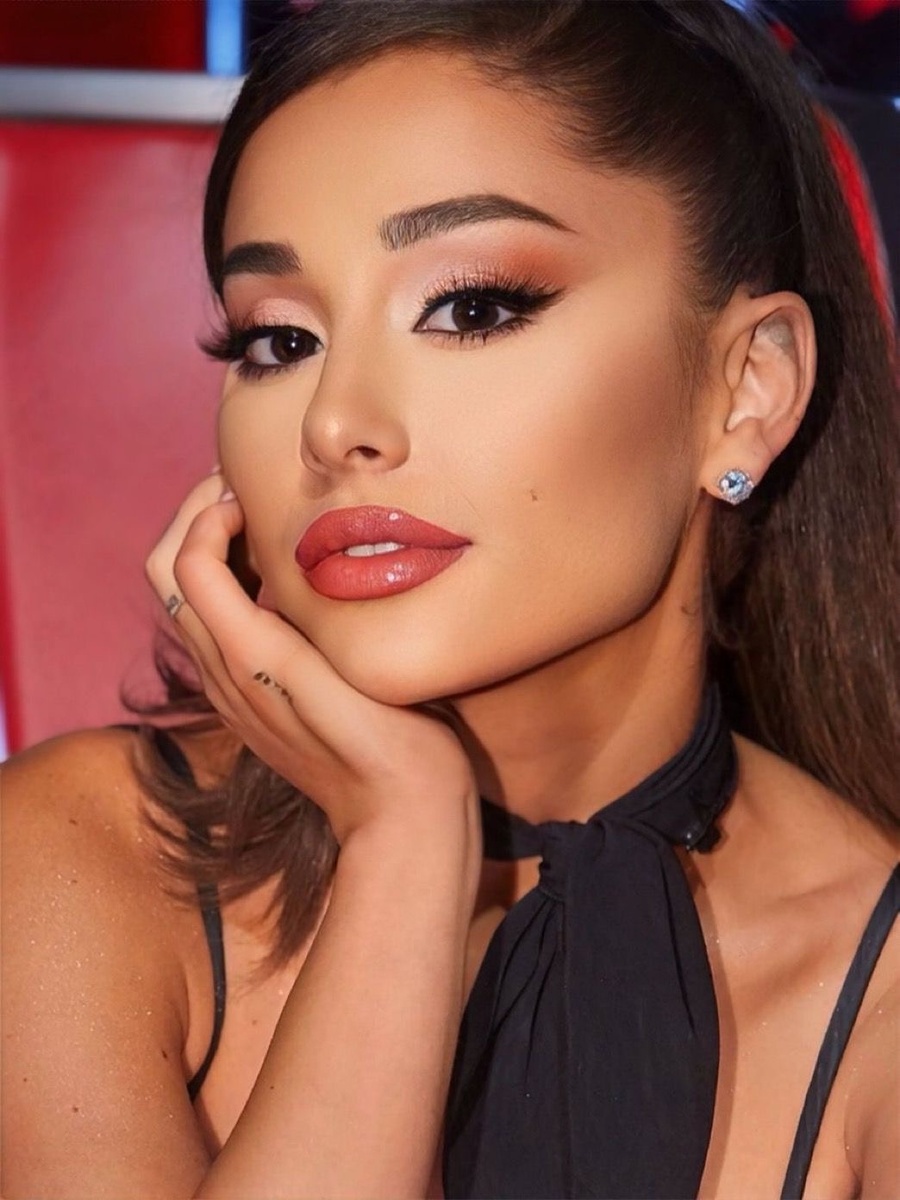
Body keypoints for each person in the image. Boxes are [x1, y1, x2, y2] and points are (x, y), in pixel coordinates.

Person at [2, 1, 898, 1197]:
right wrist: (404, 846)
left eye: (472, 308)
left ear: (748, 390)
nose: (335, 425)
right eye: (279, 341)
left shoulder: (878, 983)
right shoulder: (78, 857)